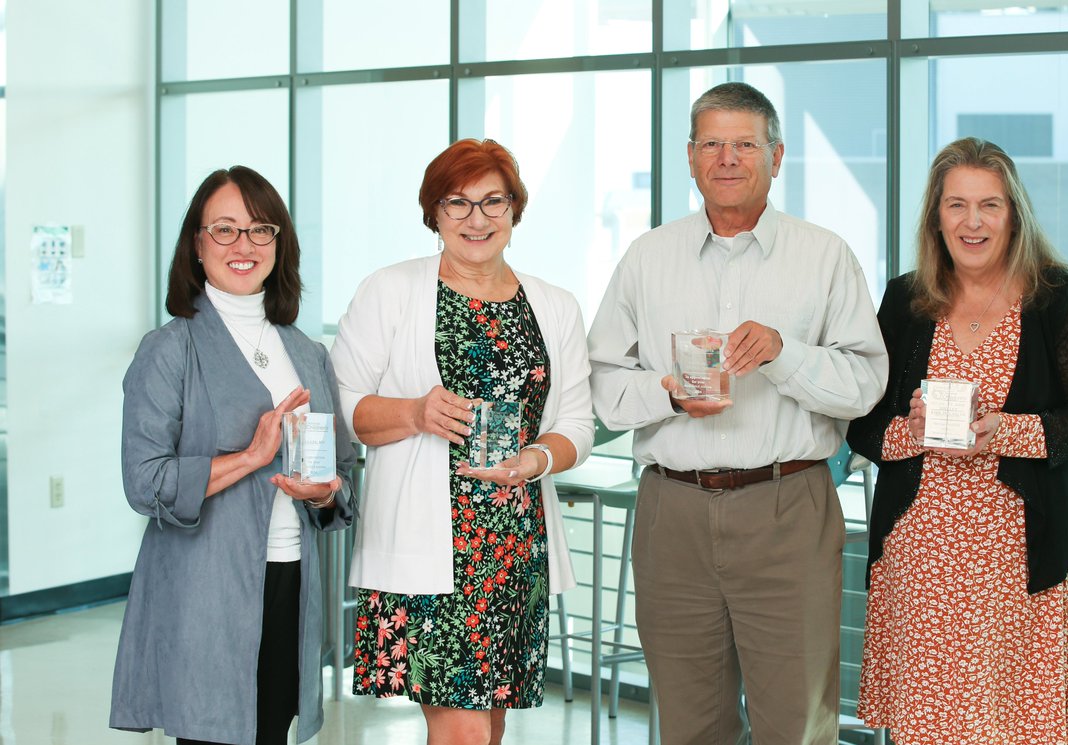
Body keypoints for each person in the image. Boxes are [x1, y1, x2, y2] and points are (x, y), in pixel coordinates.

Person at [588, 82, 888, 745]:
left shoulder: (825, 256)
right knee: (690, 724)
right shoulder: (648, 257)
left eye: (745, 144)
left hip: (788, 507)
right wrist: (665, 393)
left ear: (777, 157)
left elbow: (866, 383)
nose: (729, 158)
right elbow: (603, 386)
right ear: (691, 158)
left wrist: (784, 354)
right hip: (674, 513)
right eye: (713, 144)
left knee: (795, 725)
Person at [846, 137, 1068, 744]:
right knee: (930, 729)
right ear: (935, 217)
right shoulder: (905, 299)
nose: (973, 222)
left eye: (989, 205)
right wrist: (910, 434)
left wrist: (1005, 432)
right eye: (957, 205)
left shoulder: (1055, 297)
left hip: (1019, 555)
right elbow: (859, 423)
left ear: (1013, 214)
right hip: (923, 554)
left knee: (1017, 727)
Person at [330, 139, 594, 745]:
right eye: (458, 203)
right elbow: (345, 409)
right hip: (426, 545)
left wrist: (537, 458)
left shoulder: (553, 306)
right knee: (465, 732)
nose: (477, 219)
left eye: (492, 202)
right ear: (435, 213)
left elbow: (577, 423)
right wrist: (417, 413)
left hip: (513, 548)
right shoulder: (390, 290)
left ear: (514, 209)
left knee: (490, 726)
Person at [110, 166, 357, 745]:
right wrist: (251, 457)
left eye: (259, 230)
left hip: (291, 580)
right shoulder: (170, 350)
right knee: (211, 733)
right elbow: (143, 483)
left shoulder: (307, 352)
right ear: (197, 245)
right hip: (204, 589)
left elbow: (342, 476)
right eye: (224, 230)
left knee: (271, 730)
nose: (243, 246)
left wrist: (323, 491)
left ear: (279, 243)